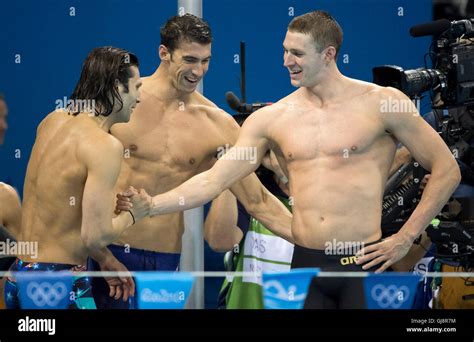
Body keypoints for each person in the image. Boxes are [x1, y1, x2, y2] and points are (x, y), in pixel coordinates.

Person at [118, 11, 461, 309]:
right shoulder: (273, 118)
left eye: (296, 53)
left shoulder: (383, 103)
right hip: (305, 264)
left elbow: (447, 169)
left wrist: (405, 237)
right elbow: (214, 179)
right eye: (284, 51)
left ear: (329, 54)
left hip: (364, 262)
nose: (286, 61)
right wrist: (152, 205)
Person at [89, 14, 293, 309]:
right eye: (190, 60)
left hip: (165, 261)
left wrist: (312, 236)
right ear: (164, 53)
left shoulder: (218, 124)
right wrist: (89, 253)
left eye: (205, 60)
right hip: (106, 252)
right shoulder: (117, 102)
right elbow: (74, 174)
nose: (198, 71)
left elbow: (257, 201)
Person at [4, 47, 150, 309]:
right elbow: (94, 236)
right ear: (116, 86)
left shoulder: (50, 121)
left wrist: (105, 260)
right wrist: (133, 214)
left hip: (19, 275)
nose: (140, 97)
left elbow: (58, 214)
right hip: (58, 284)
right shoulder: (104, 145)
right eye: (136, 87)